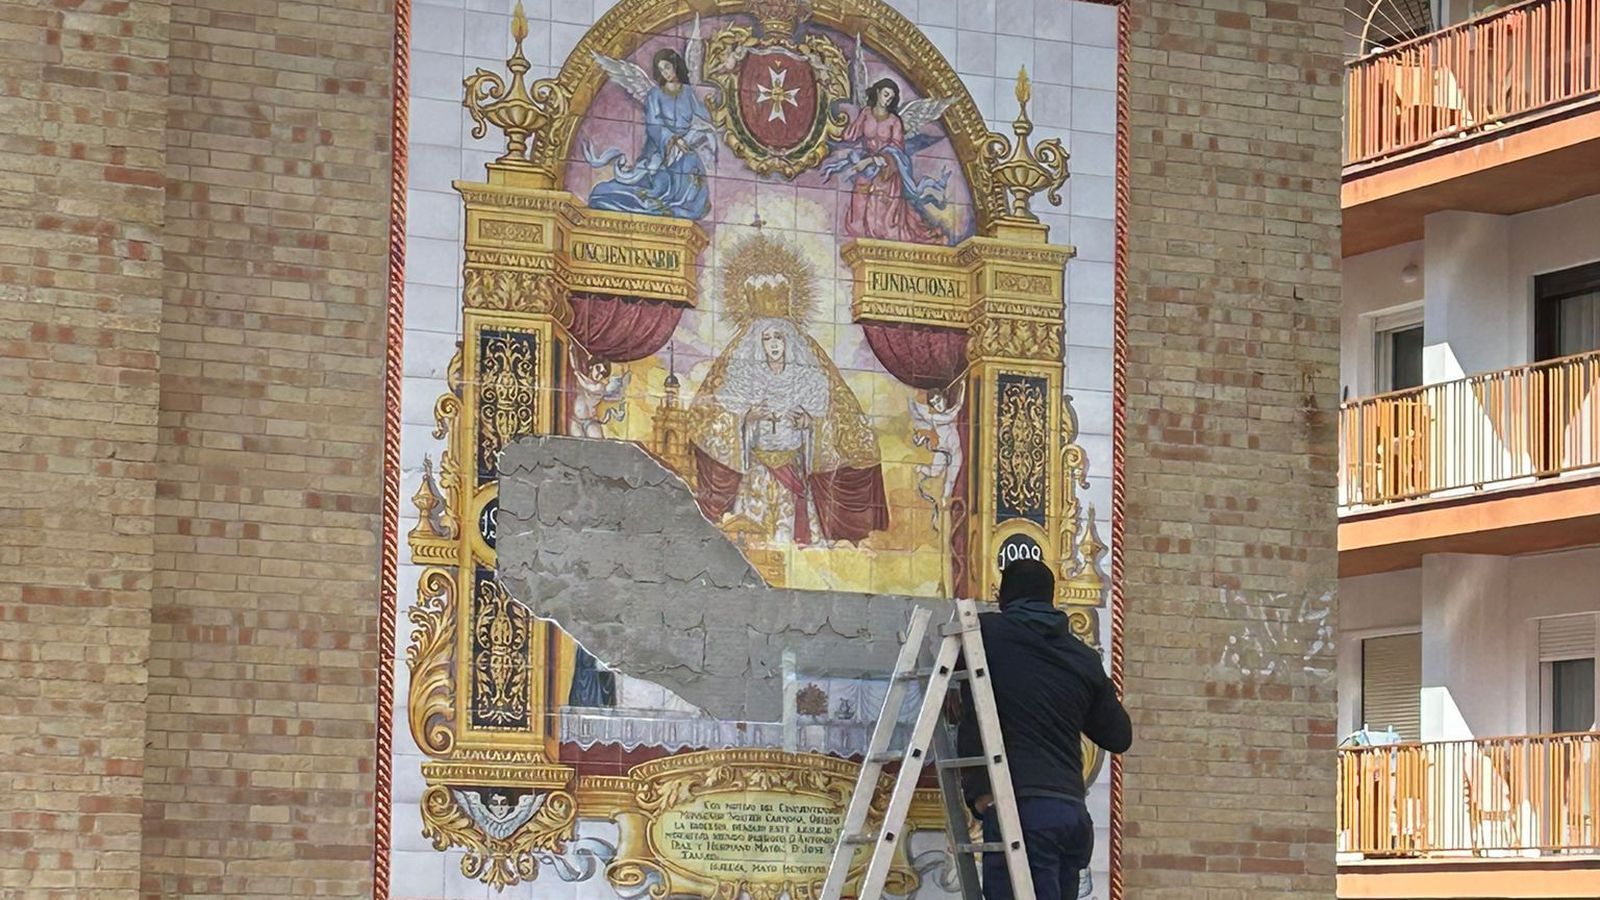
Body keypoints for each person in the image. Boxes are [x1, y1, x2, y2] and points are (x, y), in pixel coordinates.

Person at [956, 558, 1132, 900]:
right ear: (1050, 599)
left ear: (1004, 597)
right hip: (1071, 816)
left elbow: (952, 691)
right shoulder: (1082, 657)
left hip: (1020, 810)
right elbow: (1118, 736)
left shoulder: (987, 635)